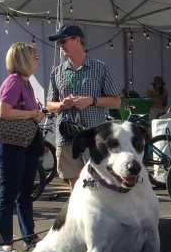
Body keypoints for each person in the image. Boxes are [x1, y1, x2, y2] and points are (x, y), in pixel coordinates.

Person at [45, 23, 121, 186]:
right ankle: (78, 213)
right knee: (75, 184)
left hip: (94, 137)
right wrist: (61, 105)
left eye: (63, 41)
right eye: (58, 43)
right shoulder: (57, 72)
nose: (60, 46)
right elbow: (49, 105)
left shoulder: (100, 68)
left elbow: (116, 101)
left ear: (77, 40)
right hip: (67, 138)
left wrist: (91, 100)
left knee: (99, 181)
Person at [0, 43, 46, 252]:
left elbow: (25, 110)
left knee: (25, 192)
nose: (37, 60)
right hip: (12, 144)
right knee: (9, 193)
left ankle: (28, 236)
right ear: (24, 59)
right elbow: (3, 111)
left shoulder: (26, 82)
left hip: (26, 142)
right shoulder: (14, 82)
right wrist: (31, 114)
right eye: (34, 56)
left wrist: (37, 113)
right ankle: (5, 241)